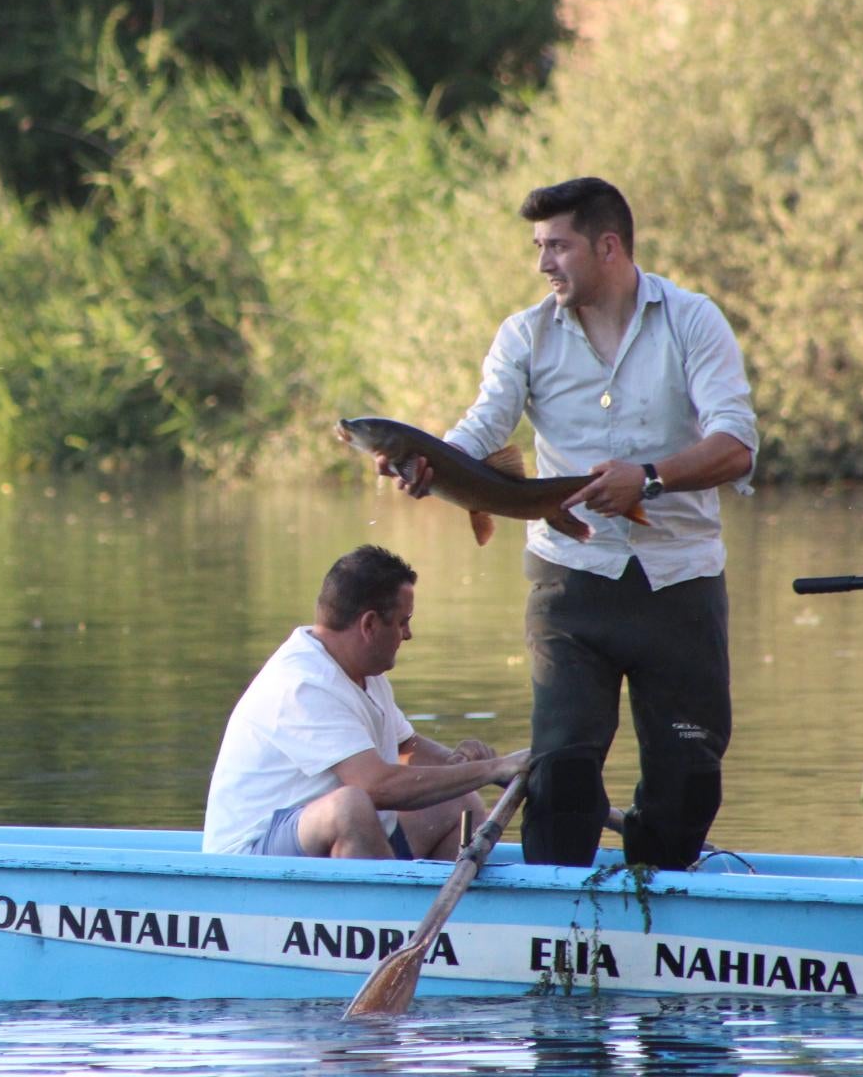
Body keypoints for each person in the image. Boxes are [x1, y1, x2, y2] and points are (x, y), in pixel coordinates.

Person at [382, 176, 757, 871]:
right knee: (562, 773)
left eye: (557, 246)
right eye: (538, 246)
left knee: (688, 779)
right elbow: (484, 425)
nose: (543, 263)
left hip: (681, 582)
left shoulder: (692, 320)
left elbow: (736, 444)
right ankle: (552, 931)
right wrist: (431, 462)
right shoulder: (525, 334)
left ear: (607, 246)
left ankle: (660, 908)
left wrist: (648, 477)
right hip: (571, 582)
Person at [203, 544, 530, 859]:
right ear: (370, 624)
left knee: (460, 804)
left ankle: (438, 912)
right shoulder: (301, 684)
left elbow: (406, 748)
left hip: (323, 850)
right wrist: (491, 769)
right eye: (403, 622)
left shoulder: (365, 672)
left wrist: (463, 765)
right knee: (350, 808)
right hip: (251, 859)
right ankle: (390, 912)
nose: (408, 635)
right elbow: (376, 787)